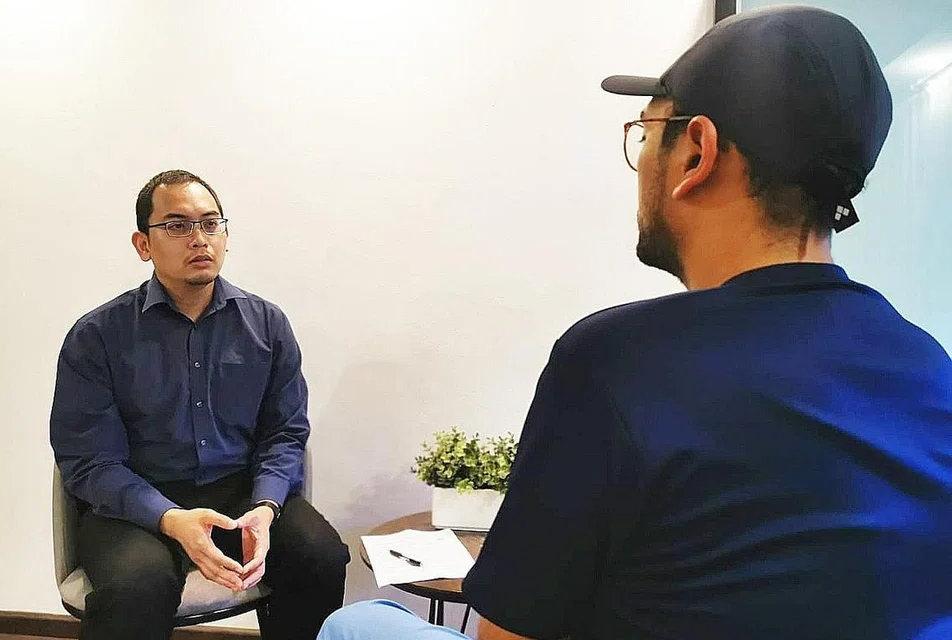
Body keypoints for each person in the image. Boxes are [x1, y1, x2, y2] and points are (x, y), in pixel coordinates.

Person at [315, 6, 952, 640]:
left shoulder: (615, 360)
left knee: (359, 623)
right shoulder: (929, 365)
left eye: (646, 133)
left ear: (697, 153)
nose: (641, 158)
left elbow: (508, 634)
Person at [50, 169, 351, 640]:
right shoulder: (97, 337)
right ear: (143, 245)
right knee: (136, 587)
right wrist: (170, 518)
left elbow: (285, 432)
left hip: (239, 495)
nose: (199, 239)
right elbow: (89, 460)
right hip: (138, 505)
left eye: (211, 224)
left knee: (320, 555)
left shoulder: (267, 325)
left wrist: (266, 506)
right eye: (177, 225)